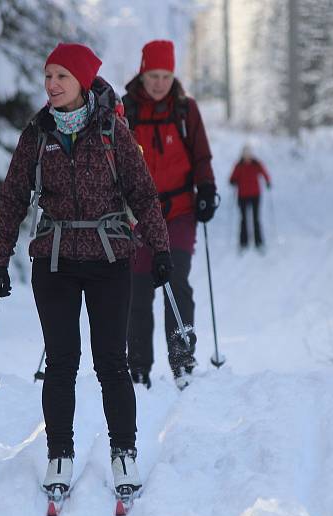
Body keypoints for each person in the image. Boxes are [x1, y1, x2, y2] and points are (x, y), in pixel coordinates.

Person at [0, 43, 171, 502]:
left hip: (109, 259)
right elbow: (12, 198)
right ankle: (59, 454)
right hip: (55, 261)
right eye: (48, 75)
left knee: (112, 362)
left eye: (61, 77)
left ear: (82, 82)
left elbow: (143, 193)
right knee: (61, 363)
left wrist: (160, 249)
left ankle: (124, 452)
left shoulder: (111, 130)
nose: (51, 85)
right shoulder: (38, 133)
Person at [122, 40, 218, 390]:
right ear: (143, 72)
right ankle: (137, 368)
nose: (159, 83)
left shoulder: (185, 110)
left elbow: (201, 156)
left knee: (176, 282)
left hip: (178, 210)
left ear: (173, 75)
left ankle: (182, 362)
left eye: (165, 76)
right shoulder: (125, 110)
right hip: (135, 214)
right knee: (138, 289)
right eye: (153, 75)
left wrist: (206, 189)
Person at [229, 144, 271, 250]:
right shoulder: (239, 165)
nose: (247, 157)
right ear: (242, 155)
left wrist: (267, 181)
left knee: (256, 218)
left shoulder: (256, 164)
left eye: (249, 155)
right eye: (245, 155)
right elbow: (232, 177)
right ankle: (243, 242)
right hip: (242, 196)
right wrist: (233, 181)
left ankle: (258, 242)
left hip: (255, 195)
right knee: (243, 219)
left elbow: (264, 173)